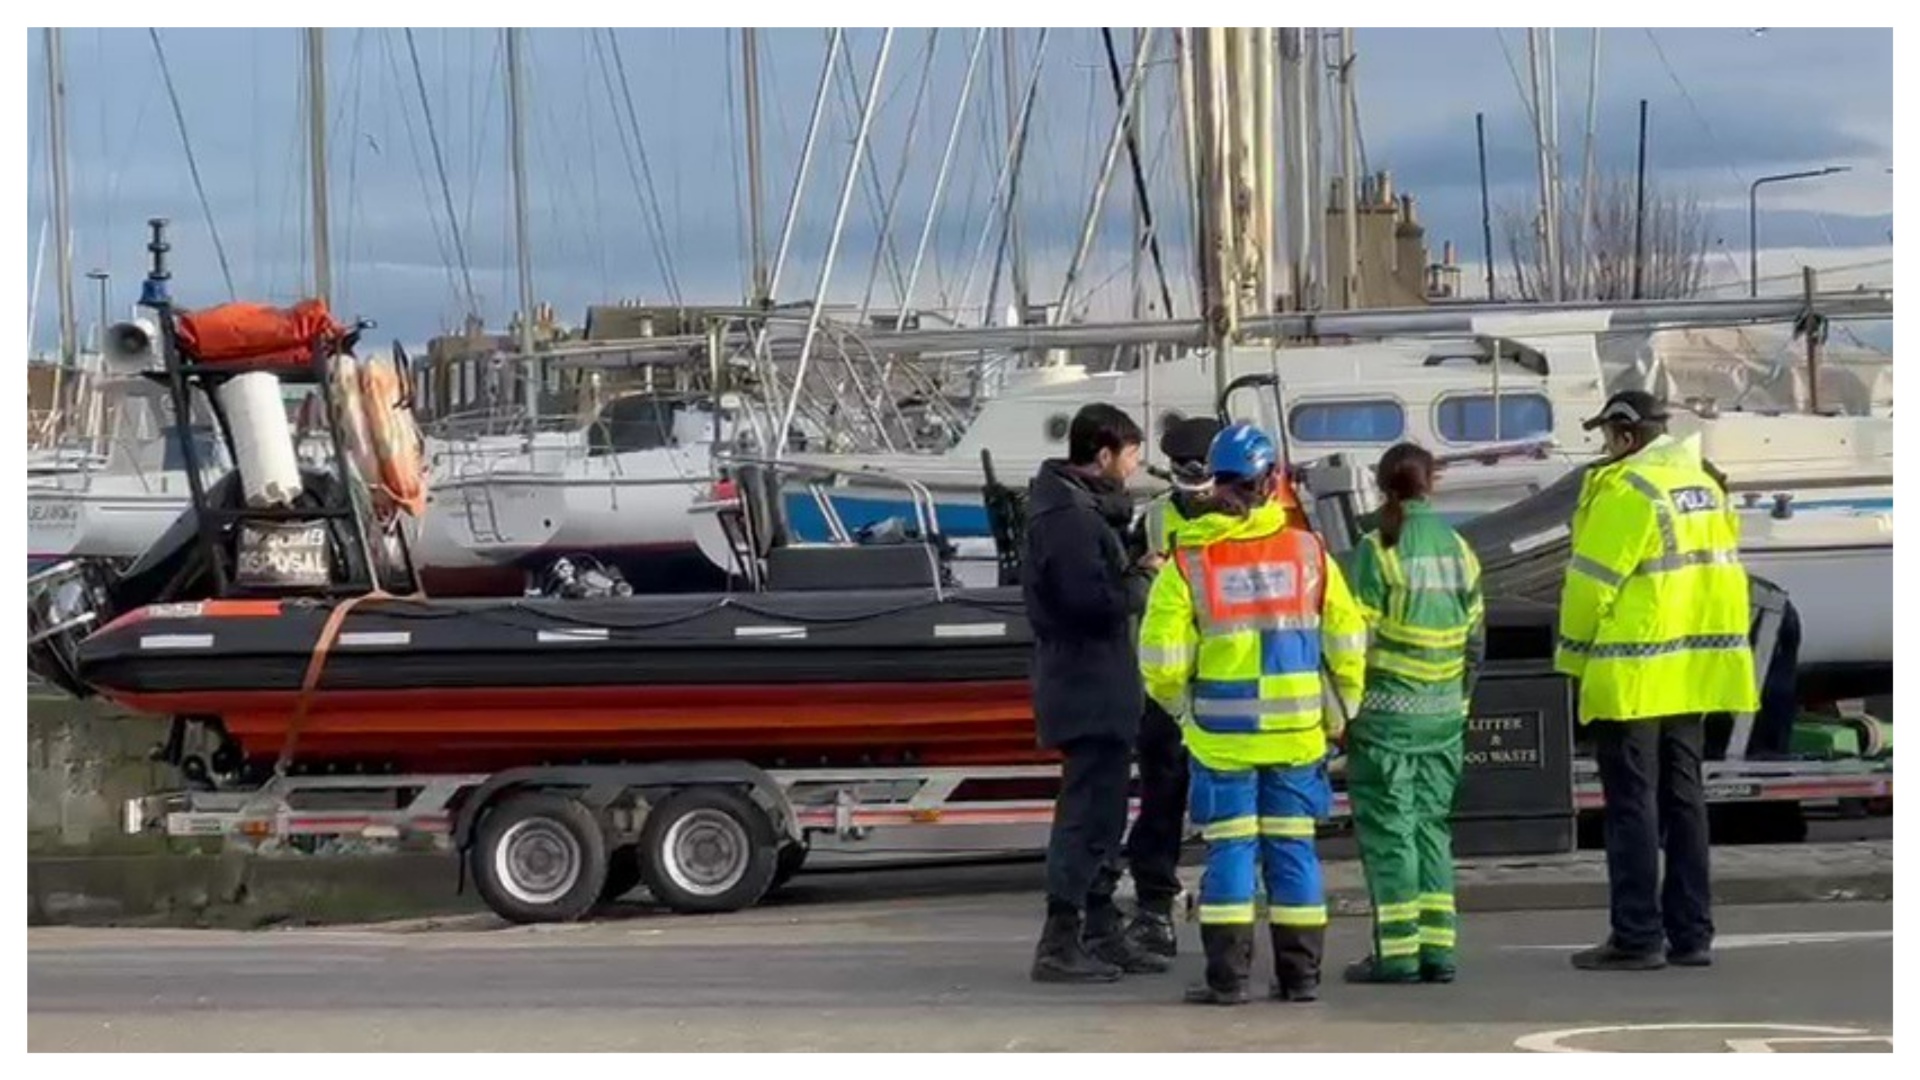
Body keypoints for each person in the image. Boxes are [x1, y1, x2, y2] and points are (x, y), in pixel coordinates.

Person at [1140, 423, 1367, 1005]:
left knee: (1231, 854)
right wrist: (1341, 714)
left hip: (1222, 737)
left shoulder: (1189, 561)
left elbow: (1162, 660)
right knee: (1293, 851)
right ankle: (1301, 977)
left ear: (1215, 483)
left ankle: (1228, 979)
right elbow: (1347, 641)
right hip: (1296, 736)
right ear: (1273, 483)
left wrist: (1182, 711)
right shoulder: (1310, 553)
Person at [1556, 389, 1758, 971]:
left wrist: (1572, 656)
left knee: (1631, 807)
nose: (1603, 448)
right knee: (1685, 800)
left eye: (1606, 437)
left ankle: (1637, 936)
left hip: (1635, 673)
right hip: (1694, 671)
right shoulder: (1704, 484)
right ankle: (1692, 934)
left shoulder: (1629, 490)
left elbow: (1591, 583)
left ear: (1626, 435)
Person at [1023, 403, 1167, 982]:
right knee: (1086, 815)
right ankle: (1060, 941)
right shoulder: (1070, 521)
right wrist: (1141, 576)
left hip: (1097, 682)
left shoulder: (1076, 511)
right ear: (1104, 455)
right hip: (1087, 685)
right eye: (1131, 455)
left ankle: (1100, 929)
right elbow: (1091, 604)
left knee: (1104, 814)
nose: (1135, 467)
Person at [1340, 442, 1485, 985]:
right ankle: (1439, 952)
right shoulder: (1460, 549)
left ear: (1382, 487)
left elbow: (1354, 642)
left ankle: (1397, 954)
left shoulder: (1377, 551)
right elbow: (1476, 644)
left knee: (1389, 833)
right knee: (1431, 829)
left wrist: (1345, 713)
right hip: (1443, 718)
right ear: (1433, 484)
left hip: (1385, 719)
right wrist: (1459, 705)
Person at [1088, 416, 1223, 961]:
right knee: (1164, 796)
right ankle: (1156, 905)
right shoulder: (1155, 517)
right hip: (1171, 683)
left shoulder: (1251, 515)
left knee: (1216, 800)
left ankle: (1215, 903)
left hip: (1222, 675)